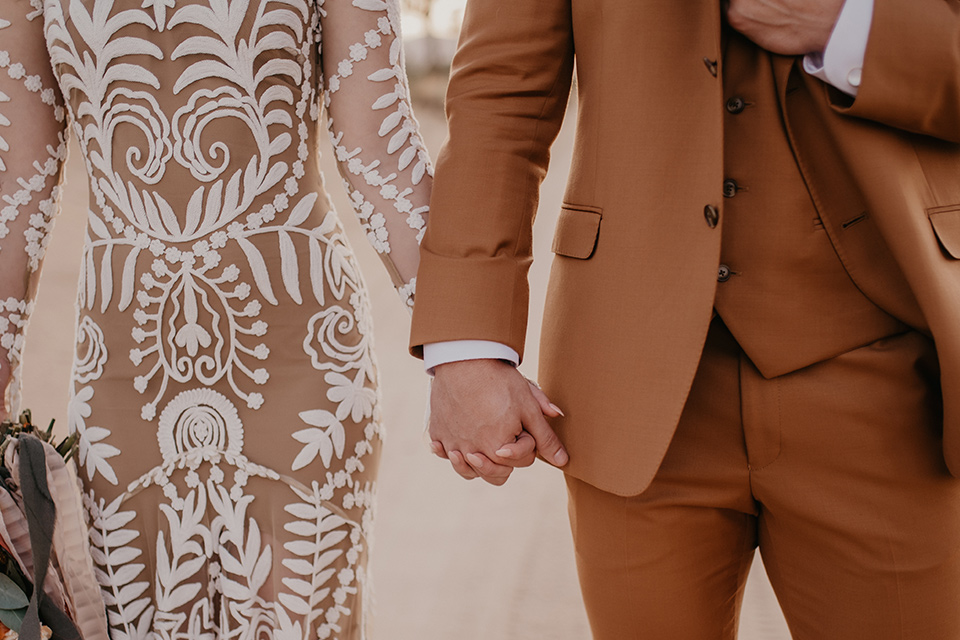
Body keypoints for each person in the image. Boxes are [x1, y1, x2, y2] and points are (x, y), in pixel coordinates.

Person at [411, 0, 960, 637]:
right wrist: (467, 347)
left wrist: (851, 29)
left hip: (894, 367)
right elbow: (501, 96)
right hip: (631, 377)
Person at [0, 0, 430, 635]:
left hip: (305, 368)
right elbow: (16, 181)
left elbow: (381, 151)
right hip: (123, 379)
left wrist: (469, 349)